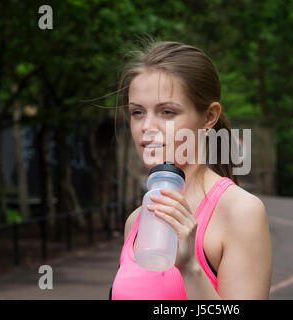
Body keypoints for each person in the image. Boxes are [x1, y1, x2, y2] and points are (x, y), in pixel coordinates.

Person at [110, 40, 272, 300]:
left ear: (209, 117)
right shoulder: (136, 221)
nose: (147, 126)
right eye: (137, 112)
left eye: (167, 111)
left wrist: (191, 268)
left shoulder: (240, 212)